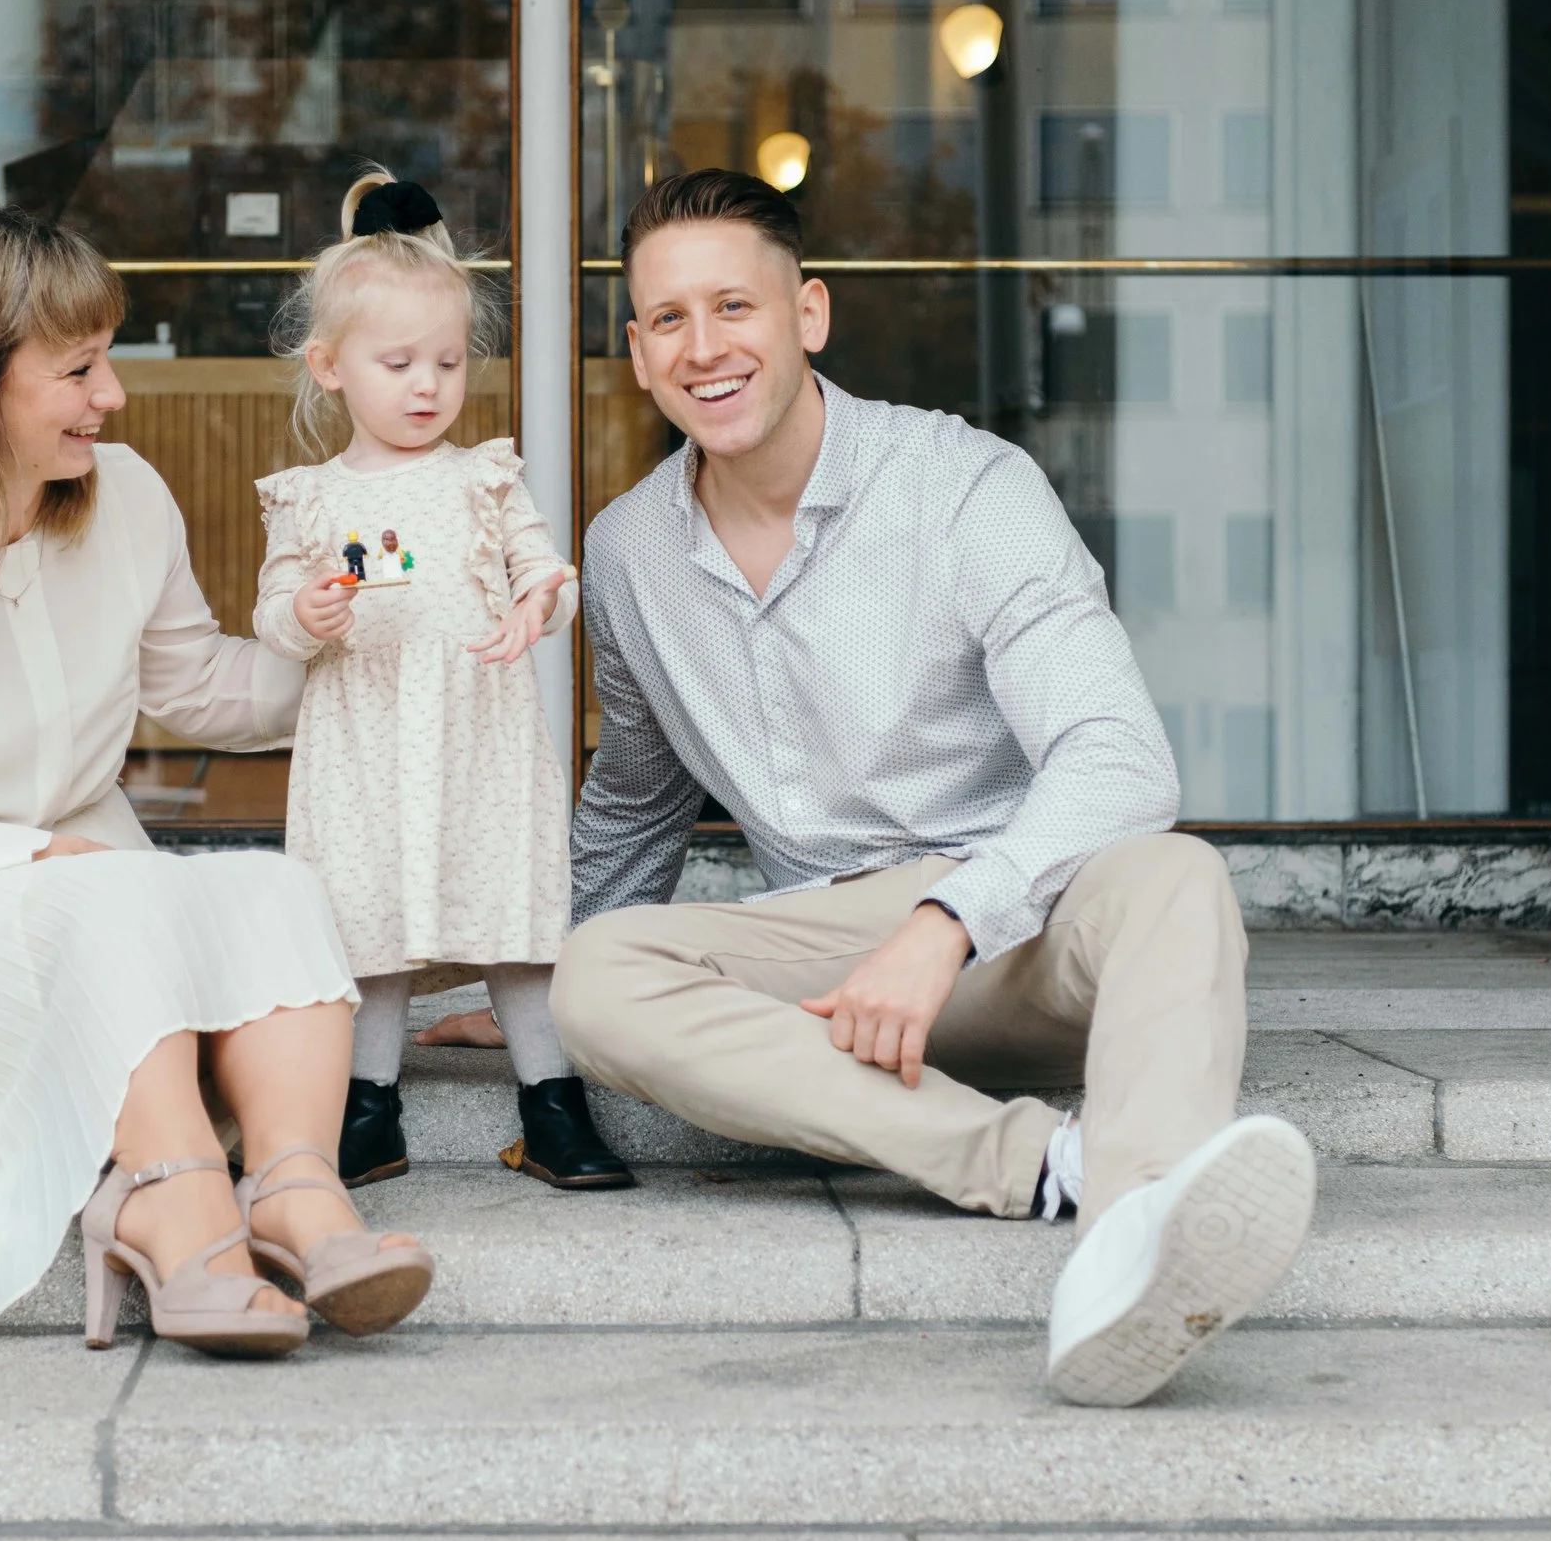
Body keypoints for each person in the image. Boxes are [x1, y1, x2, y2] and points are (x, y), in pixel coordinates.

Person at [549, 170, 1317, 1407]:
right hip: (825, 961)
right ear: (637, 354)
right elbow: (636, 802)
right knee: (596, 977)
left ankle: (1130, 1248)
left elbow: (1120, 755)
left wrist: (949, 916)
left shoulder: (964, 486)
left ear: (809, 315)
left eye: (733, 307)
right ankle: (1051, 1168)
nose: (705, 348)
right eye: (670, 321)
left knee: (1173, 869)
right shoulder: (628, 551)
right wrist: (539, 970)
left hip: (1014, 928)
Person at [0, 207, 431, 1360]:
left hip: (90, 894)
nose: (111, 397)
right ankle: (172, 1205)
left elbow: (198, 686)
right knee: (107, 895)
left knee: (272, 889)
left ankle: (298, 1195)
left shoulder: (127, 498)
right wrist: (43, 858)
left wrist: (344, 657)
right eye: (79, 369)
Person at [253, 170, 631, 1192]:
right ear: (329, 367)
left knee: (515, 923)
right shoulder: (311, 498)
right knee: (369, 927)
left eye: (448, 363)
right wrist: (306, 614)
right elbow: (272, 613)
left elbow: (544, 568)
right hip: (367, 742)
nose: (427, 385)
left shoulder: (484, 477)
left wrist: (533, 605)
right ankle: (367, 1113)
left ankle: (552, 1109)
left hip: (479, 738)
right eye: (398, 363)